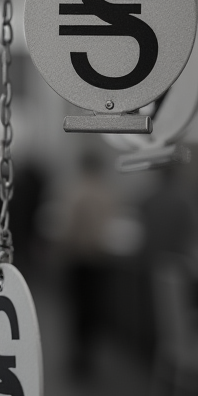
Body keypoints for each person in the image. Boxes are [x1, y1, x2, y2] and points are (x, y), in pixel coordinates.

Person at [58, 150, 114, 378]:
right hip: (99, 259)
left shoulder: (77, 193)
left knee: (78, 310)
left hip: (78, 258)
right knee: (94, 309)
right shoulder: (106, 194)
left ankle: (78, 358)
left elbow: (68, 227)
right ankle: (90, 356)